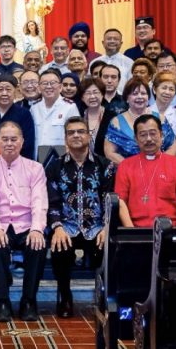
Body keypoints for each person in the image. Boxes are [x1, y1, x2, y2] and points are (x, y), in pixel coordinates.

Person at [0, 122, 47, 322]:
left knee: (37, 246)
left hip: (26, 224)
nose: (9, 143)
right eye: (5, 139)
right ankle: (1, 301)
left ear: (22, 142)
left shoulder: (35, 168)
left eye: (14, 139)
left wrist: (37, 229)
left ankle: (29, 301)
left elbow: (39, 201)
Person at [47, 117, 115, 317]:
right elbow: (52, 201)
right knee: (59, 248)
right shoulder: (54, 167)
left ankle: (104, 297)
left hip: (97, 227)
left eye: (80, 131)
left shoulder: (105, 166)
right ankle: (65, 297)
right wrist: (57, 227)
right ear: (65, 138)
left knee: (108, 247)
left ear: (89, 135)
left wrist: (106, 227)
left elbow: (110, 200)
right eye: (71, 132)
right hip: (66, 226)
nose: (76, 135)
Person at [114, 115, 176, 228]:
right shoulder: (125, 166)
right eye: (143, 135)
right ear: (136, 139)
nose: (148, 139)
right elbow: (121, 201)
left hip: (171, 229)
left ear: (161, 135)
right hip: (137, 230)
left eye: (153, 133)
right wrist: (131, 231)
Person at [105, 78, 174, 164]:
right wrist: (132, 168)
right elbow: (110, 152)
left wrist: (159, 165)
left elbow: (172, 147)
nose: (140, 97)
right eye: (135, 94)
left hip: (160, 167)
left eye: (143, 93)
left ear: (148, 97)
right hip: (128, 169)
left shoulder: (161, 118)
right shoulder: (116, 122)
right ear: (127, 98)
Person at [31, 69, 78, 164]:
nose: (49, 86)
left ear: (60, 87)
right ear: (39, 88)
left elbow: (75, 136)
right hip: (37, 160)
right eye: (44, 83)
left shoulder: (69, 107)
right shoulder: (34, 107)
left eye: (53, 83)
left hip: (60, 159)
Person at [0, 74, 36, 157]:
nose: (4, 93)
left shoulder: (24, 114)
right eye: (0, 89)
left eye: (8, 89)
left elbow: (28, 144)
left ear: (15, 91)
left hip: (18, 160)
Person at [149, 72, 176, 157]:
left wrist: (161, 162)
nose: (167, 92)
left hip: (170, 159)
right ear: (154, 89)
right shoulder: (145, 112)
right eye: (164, 88)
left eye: (171, 89)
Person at [96, 28, 133, 93]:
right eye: (109, 39)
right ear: (103, 43)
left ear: (121, 43)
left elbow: (132, 85)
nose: (112, 41)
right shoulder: (95, 62)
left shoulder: (129, 62)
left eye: (116, 39)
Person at [78, 78, 106, 156]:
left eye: (95, 92)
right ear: (82, 97)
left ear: (102, 94)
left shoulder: (112, 117)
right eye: (88, 93)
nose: (92, 96)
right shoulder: (79, 116)